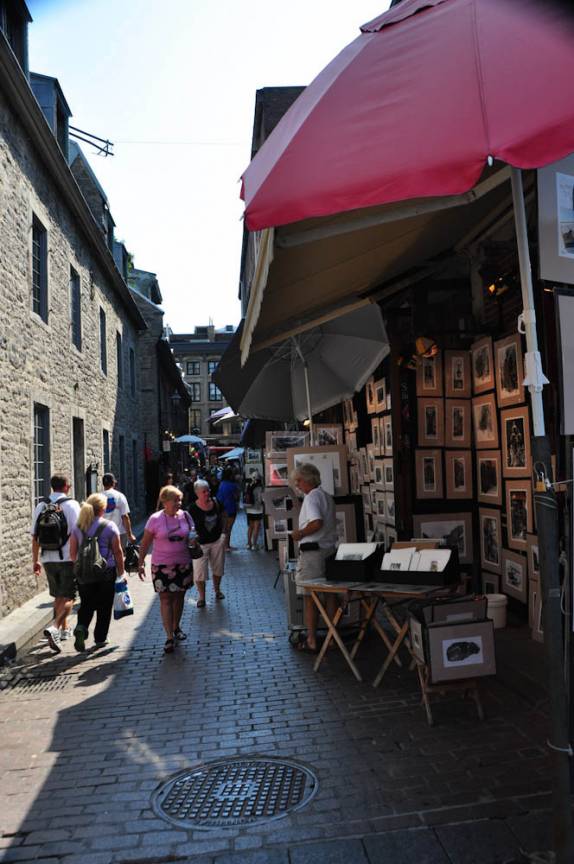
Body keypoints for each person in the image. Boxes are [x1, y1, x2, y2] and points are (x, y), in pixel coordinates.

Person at [137, 485, 195, 653]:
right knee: (165, 599)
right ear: (165, 501)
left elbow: (192, 534)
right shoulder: (155, 519)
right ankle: (169, 637)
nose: (179, 503)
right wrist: (140, 563)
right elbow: (145, 543)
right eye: (175, 500)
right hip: (161, 566)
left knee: (179, 597)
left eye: (180, 500)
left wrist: (193, 539)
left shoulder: (185, 516)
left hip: (183, 564)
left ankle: (176, 627)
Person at [290, 463, 338, 654]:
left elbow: (316, 522)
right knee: (330, 595)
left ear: (308, 480)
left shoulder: (311, 497)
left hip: (313, 553)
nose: (297, 484)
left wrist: (300, 533)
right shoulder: (326, 496)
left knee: (310, 597)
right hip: (328, 550)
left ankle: (311, 640)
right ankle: (332, 637)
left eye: (299, 480)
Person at [69, 493, 125, 652]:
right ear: (103, 509)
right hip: (105, 572)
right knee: (104, 606)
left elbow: (72, 555)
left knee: (86, 604)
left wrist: (81, 567)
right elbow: (118, 552)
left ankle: (81, 627)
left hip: (84, 574)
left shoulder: (77, 528)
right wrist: (121, 573)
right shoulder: (109, 526)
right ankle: (100, 638)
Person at [31, 474, 80, 653]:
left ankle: (64, 629)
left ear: (52, 486)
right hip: (67, 557)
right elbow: (78, 533)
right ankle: (55, 627)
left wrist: (35, 560)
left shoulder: (41, 506)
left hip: (47, 558)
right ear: (66, 486)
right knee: (69, 597)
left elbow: (35, 536)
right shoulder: (72, 505)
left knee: (58, 595)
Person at [187, 479, 226, 607]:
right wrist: (192, 538)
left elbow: (224, 515)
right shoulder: (192, 508)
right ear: (197, 493)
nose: (207, 493)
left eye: (208, 490)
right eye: (203, 491)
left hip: (217, 541)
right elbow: (188, 526)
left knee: (218, 568)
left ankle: (217, 590)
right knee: (199, 572)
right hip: (200, 544)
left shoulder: (216, 502)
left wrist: (224, 533)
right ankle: (202, 597)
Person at [102, 473, 136, 550]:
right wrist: (130, 535)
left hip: (104, 533)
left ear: (103, 484)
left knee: (107, 555)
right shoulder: (120, 496)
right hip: (119, 533)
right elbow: (125, 517)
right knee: (120, 554)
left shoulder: (98, 497)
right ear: (113, 483)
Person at [216, 466, 240, 551]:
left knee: (224, 528)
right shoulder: (233, 485)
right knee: (228, 528)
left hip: (222, 508)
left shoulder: (221, 484)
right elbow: (237, 497)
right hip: (231, 508)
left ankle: (224, 545)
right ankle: (227, 546)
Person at [244, 470, 263, 550]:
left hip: (249, 509)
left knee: (250, 527)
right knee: (256, 527)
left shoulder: (248, 485)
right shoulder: (259, 487)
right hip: (257, 509)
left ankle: (249, 544)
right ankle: (254, 545)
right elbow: (260, 499)